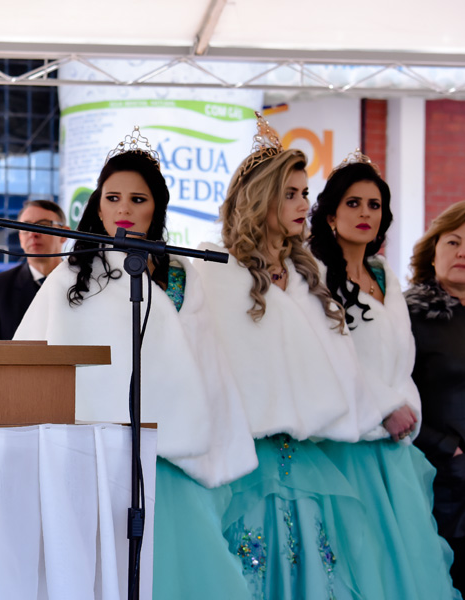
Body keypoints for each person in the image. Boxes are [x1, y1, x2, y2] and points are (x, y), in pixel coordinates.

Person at [15, 128, 258, 599]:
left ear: (156, 208)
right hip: (93, 460)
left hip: (173, 460)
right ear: (98, 206)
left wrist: (217, 444)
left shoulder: (182, 273)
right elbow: (32, 363)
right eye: (113, 198)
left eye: (137, 199)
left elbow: (207, 363)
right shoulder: (71, 276)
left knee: (182, 574)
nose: (124, 208)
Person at [194, 114, 397, 598]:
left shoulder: (308, 275)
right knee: (252, 570)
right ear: (259, 198)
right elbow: (209, 364)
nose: (304, 204)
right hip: (246, 459)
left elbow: (339, 362)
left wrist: (380, 407)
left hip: (305, 456)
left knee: (313, 567)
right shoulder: (215, 272)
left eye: (305, 192)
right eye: (290, 194)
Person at [309, 154, 459, 599]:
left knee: (406, 565)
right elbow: (327, 356)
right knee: (362, 565)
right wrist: (383, 407)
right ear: (331, 214)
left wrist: (404, 407)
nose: (365, 214)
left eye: (374, 205)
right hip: (347, 445)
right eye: (353, 203)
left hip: (393, 448)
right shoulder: (314, 273)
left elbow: (400, 358)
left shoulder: (383, 274)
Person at [406, 200, 465, 594]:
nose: (462, 253)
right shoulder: (408, 315)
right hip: (438, 476)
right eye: (453, 242)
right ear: (433, 252)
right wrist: (449, 450)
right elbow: (392, 398)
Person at [0, 200, 68, 340]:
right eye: (25, 227)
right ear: (20, 237)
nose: (33, 233)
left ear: (64, 234)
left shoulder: (85, 283)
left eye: (43, 225)